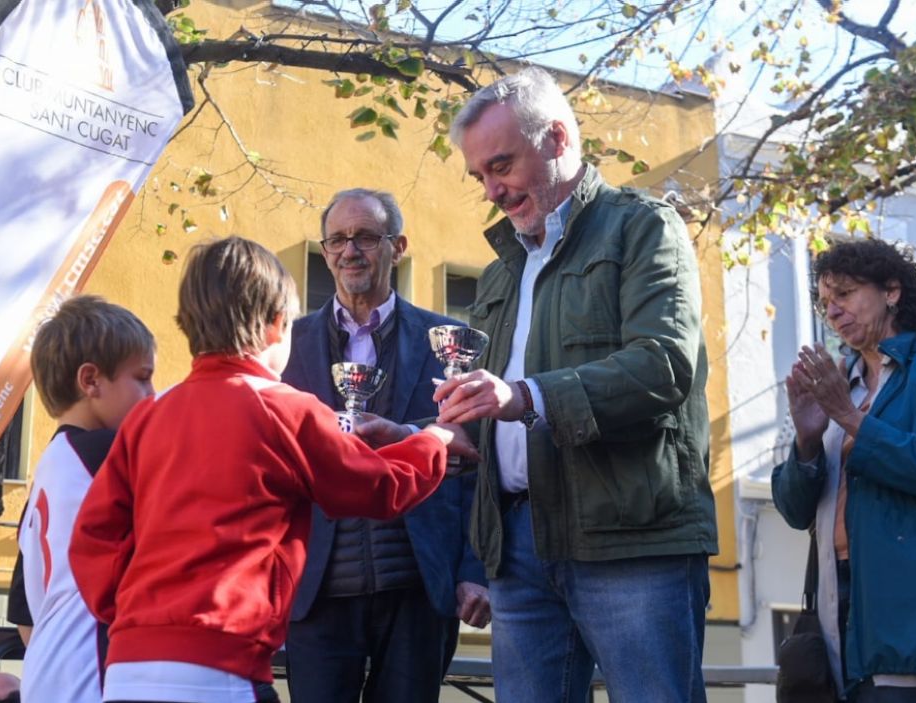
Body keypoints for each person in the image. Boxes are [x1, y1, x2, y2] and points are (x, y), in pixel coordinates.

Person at [68, 236, 474, 703]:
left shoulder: (148, 416)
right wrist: (433, 442)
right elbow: (377, 488)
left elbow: (93, 536)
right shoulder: (284, 408)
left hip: (128, 664)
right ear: (277, 327)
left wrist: (136, 611)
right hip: (222, 661)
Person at [434, 66, 718, 702]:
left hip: (632, 542)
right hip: (519, 550)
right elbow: (494, 412)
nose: (491, 191)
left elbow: (663, 366)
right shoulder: (498, 274)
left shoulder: (644, 227)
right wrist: (426, 435)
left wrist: (523, 397)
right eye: (480, 176)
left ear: (558, 139)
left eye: (501, 166)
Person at [281, 189, 490, 703]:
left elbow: (480, 463)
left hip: (418, 587)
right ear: (326, 250)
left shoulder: (450, 341)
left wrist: (473, 570)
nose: (350, 251)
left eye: (366, 238)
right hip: (318, 590)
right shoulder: (285, 345)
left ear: (397, 246)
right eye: (337, 239)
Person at [772, 238, 916, 702]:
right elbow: (794, 512)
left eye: (845, 294)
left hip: (910, 616)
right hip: (837, 608)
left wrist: (849, 419)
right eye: (825, 302)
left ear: (892, 291)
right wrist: (808, 442)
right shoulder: (839, 386)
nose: (832, 312)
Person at [6, 295, 157, 703]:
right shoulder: (107, 454)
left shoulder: (48, 474)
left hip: (46, 675)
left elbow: (24, 612)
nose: (153, 394)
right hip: (94, 676)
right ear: (90, 381)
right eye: (142, 378)